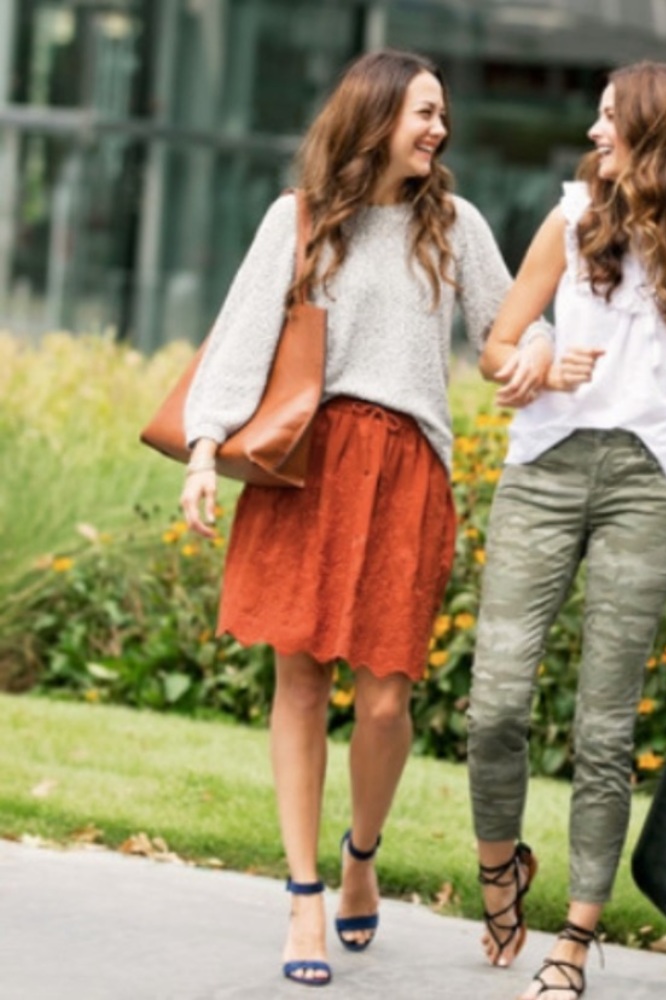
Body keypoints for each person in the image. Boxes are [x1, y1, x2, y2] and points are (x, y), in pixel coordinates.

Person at [180, 49, 548, 988]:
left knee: (387, 695)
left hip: (406, 473)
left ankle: (360, 853)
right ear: (377, 114)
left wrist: (541, 354)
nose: (439, 128)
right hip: (307, 469)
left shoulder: (454, 225)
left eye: (442, 114)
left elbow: (506, 328)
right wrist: (201, 451)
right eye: (424, 111)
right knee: (298, 683)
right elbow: (241, 336)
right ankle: (304, 897)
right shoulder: (296, 220)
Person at [466, 61, 666, 1000]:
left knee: (603, 727)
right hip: (545, 472)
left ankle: (574, 944)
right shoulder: (569, 219)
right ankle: (501, 868)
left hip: (647, 485)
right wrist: (542, 367)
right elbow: (497, 346)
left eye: (610, 121)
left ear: (657, 137)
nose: (595, 136)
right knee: (496, 707)